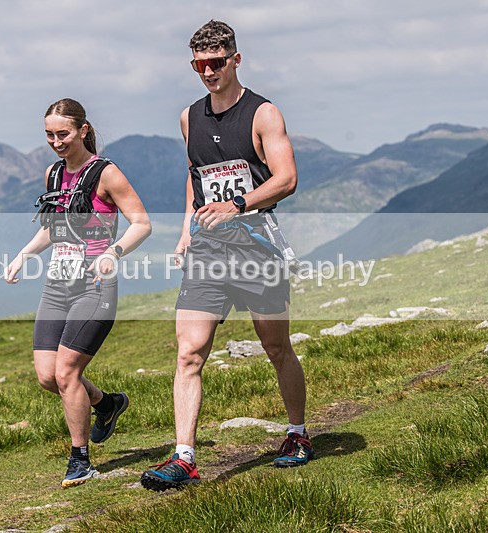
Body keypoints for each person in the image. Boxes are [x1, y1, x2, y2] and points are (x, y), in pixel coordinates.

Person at [141, 20, 313, 491]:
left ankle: (297, 433)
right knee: (189, 351)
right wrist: (186, 231)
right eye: (199, 65)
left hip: (257, 244)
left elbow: (286, 179)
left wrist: (236, 204)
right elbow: (194, 175)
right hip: (209, 249)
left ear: (236, 59)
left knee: (275, 346)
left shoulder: (263, 113)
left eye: (216, 62)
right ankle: (184, 457)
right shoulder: (189, 117)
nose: (208, 72)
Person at [6, 98, 151, 488]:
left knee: (67, 372)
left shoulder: (106, 173)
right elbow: (52, 228)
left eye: (63, 134)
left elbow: (142, 223)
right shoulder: (53, 173)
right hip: (58, 283)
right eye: (49, 135)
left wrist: (113, 252)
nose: (56, 142)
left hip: (95, 286)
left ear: (83, 130)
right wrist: (23, 255)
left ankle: (80, 459)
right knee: (46, 376)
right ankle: (107, 403)